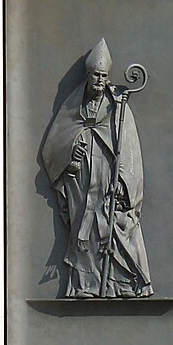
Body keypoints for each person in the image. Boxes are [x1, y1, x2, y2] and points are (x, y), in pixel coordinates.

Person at [40, 38, 152, 298]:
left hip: (108, 176)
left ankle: (121, 282)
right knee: (84, 228)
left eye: (103, 76)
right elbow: (57, 140)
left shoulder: (117, 108)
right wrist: (71, 154)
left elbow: (128, 147)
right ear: (88, 77)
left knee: (111, 226)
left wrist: (123, 182)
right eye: (95, 76)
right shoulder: (73, 106)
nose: (99, 81)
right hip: (81, 177)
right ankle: (85, 285)